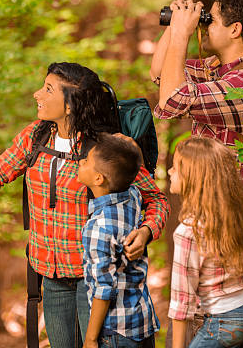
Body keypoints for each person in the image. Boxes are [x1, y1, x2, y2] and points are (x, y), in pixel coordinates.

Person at [0, 62, 169, 348]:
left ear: (70, 105)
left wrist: (146, 231)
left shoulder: (103, 148)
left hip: (95, 280)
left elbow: (155, 199)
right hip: (51, 278)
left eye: (48, 89)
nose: (37, 94)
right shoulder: (35, 137)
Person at [149, 0, 243, 240]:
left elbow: (172, 101)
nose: (205, 26)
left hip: (235, 220)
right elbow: (160, 73)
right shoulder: (220, 68)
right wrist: (175, 26)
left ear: (235, 29)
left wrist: (184, 34)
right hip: (213, 211)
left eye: (212, 20)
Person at [168, 137, 243, 348]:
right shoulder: (231, 214)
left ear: (192, 178)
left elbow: (181, 302)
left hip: (225, 320)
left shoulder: (188, 231)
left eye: (175, 168)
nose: (169, 172)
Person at [77, 133, 159, 348]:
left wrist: (91, 338)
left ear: (98, 179)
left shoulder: (97, 228)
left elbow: (103, 289)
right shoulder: (132, 196)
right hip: (142, 319)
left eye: (86, 161)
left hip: (115, 330)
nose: (81, 161)